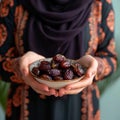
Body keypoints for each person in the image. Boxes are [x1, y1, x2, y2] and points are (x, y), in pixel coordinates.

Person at [0, 0, 117, 120]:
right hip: (25, 109)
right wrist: (19, 66)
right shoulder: (11, 2)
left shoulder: (100, 3)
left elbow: (111, 59)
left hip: (81, 110)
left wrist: (95, 67)